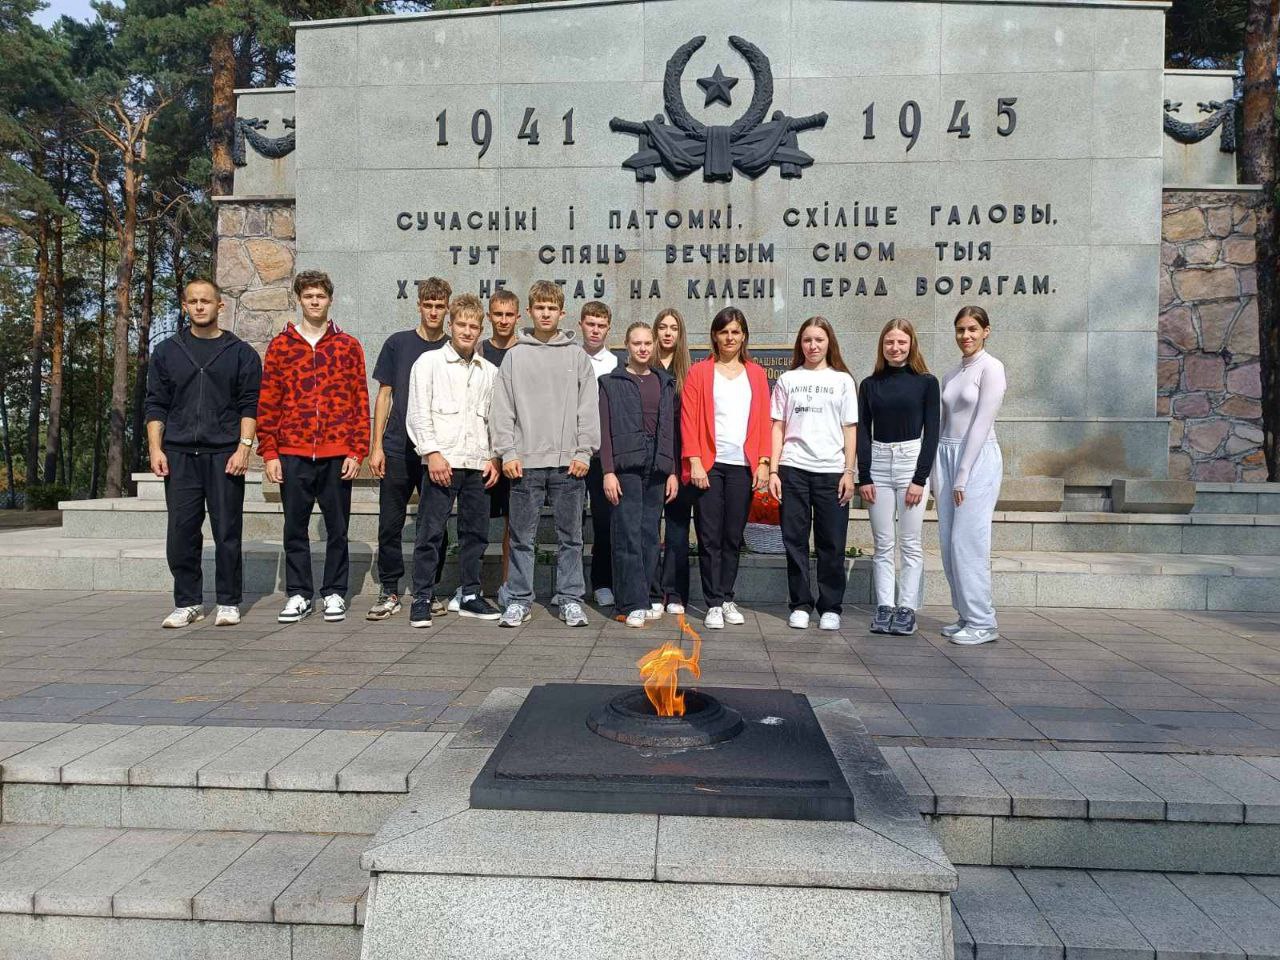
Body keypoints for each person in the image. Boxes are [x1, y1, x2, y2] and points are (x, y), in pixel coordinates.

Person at [145, 279, 262, 628]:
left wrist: (244, 448)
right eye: (193, 301)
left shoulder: (240, 353)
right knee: (181, 532)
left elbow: (250, 405)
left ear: (219, 306)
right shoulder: (167, 351)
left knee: (227, 531)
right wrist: (155, 448)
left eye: (206, 301)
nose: (199, 306)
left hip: (224, 453)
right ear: (185, 305)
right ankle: (187, 602)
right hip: (179, 454)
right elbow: (155, 404)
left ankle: (228, 601)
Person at [257, 270, 369, 624]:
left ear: (330, 299)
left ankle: (334, 592)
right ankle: (299, 593)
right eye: (308, 296)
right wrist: (270, 452)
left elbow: (360, 400)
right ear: (299, 300)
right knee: (295, 527)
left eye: (320, 296)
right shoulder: (281, 346)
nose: (315, 301)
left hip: (337, 453)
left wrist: (357, 450)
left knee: (338, 528)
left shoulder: (348, 346)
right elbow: (268, 402)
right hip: (293, 451)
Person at [490, 280, 600, 628]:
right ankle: (519, 599)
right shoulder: (515, 356)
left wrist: (584, 451)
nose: (546, 314)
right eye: (540, 308)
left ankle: (570, 599)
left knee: (572, 538)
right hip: (525, 463)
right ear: (530, 311)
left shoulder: (576, 356)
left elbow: (588, 407)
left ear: (562, 313)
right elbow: (502, 408)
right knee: (522, 538)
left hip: (569, 464)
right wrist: (507, 452)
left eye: (552, 308)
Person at [404, 294, 502, 627]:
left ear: (480, 330)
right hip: (441, 462)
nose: (467, 331)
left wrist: (494, 457)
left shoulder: (489, 371)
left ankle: (470, 594)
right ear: (451, 324)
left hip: (477, 464)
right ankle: (422, 597)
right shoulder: (429, 363)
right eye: (461, 324)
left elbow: (494, 419)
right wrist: (431, 453)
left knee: (475, 534)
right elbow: (418, 412)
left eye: (473, 326)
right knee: (430, 532)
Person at [366, 277, 451, 622]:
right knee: (390, 523)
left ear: (447, 309)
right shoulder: (397, 344)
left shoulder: (453, 347)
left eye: (439, 306)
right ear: (418, 305)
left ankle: (427, 590)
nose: (433, 312)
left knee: (436, 526)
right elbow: (384, 396)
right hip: (398, 447)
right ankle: (389, 590)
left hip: (436, 452)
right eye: (428, 305)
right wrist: (376, 446)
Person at [681, 306, 771, 630]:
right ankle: (713, 603)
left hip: (742, 466)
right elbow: (688, 419)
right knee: (709, 537)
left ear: (744, 336)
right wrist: (694, 460)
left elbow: (763, 420)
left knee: (733, 537)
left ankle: (727, 596)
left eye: (735, 331)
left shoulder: (756, 375)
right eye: (724, 332)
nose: (730, 337)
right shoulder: (700, 372)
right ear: (715, 336)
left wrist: (764, 462)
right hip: (709, 465)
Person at [768, 317, 858, 631]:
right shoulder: (787, 379)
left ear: (829, 342)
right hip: (793, 468)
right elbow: (777, 427)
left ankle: (830, 606)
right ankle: (800, 604)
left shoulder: (843, 381)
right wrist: (774, 470)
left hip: (831, 471)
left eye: (819, 339)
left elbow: (850, 429)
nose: (813, 345)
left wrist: (849, 471)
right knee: (794, 541)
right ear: (800, 343)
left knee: (831, 541)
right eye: (807, 340)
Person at [856, 319, 940, 637]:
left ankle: (906, 608)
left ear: (911, 344)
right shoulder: (870, 385)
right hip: (878, 464)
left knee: (910, 542)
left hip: (910, 463)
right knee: (883, 543)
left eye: (901, 342)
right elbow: (863, 432)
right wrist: (864, 476)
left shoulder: (926, 383)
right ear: (882, 346)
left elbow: (932, 432)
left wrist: (920, 478)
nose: (895, 348)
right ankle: (884, 606)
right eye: (889, 342)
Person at [936, 305, 1007, 646]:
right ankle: (965, 613)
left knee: (969, 542)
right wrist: (935, 469)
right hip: (946, 455)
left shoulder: (992, 368)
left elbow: (981, 422)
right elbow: (943, 423)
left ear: (985, 331)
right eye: (961, 330)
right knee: (949, 543)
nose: (966, 336)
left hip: (976, 459)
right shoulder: (952, 373)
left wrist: (963, 473)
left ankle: (983, 621)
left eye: (972, 329)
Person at [600, 323, 679, 627]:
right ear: (627, 346)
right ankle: (630, 603)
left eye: (648, 343)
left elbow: (670, 429)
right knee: (627, 535)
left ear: (654, 345)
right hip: (626, 468)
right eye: (637, 343)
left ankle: (645, 596)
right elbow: (604, 430)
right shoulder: (611, 382)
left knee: (649, 535)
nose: (643, 348)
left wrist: (671, 471)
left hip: (657, 467)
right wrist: (608, 471)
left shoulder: (664, 382)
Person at [650, 308, 693, 616]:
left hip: (680, 460)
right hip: (650, 461)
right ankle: (653, 591)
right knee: (650, 530)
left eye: (673, 328)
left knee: (677, 531)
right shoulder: (645, 367)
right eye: (663, 327)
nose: (667, 333)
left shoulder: (689, 373)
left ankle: (675, 592)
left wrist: (677, 469)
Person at [480, 288, 521, 605]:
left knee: (513, 525)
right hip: (482, 452)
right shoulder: (478, 350)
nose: (504, 320)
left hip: (515, 451)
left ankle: (508, 586)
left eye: (509, 315)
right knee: (477, 522)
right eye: (498, 314)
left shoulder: (526, 352)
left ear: (518, 317)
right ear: (489, 316)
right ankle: (469, 587)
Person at [579, 300, 619, 607]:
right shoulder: (569, 357)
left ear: (608, 328)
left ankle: (602, 582)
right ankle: (569, 585)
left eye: (601, 325)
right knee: (571, 523)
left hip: (602, 455)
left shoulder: (615, 364)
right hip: (572, 452)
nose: (595, 330)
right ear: (581, 324)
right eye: (590, 324)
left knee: (604, 522)